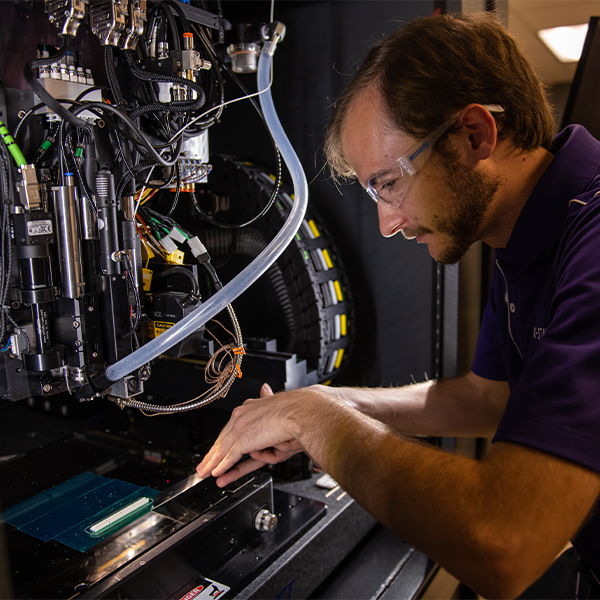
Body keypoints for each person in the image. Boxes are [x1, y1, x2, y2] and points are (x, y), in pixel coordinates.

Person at [197, 12, 600, 599]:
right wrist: (322, 401)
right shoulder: (525, 235)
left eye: (390, 182)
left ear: (475, 135)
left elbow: (503, 540)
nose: (386, 224)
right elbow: (488, 398)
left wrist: (319, 425)